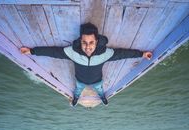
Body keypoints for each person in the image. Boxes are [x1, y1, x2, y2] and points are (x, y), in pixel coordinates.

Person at [20, 23, 152, 107]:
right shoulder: (72, 52)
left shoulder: (105, 53)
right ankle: (75, 98)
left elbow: (123, 54)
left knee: (100, 90)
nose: (88, 47)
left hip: (97, 81)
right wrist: (32, 51)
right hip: (80, 81)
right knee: (77, 91)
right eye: (84, 42)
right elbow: (53, 52)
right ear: (80, 41)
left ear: (96, 41)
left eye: (91, 42)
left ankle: (102, 98)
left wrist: (141, 54)